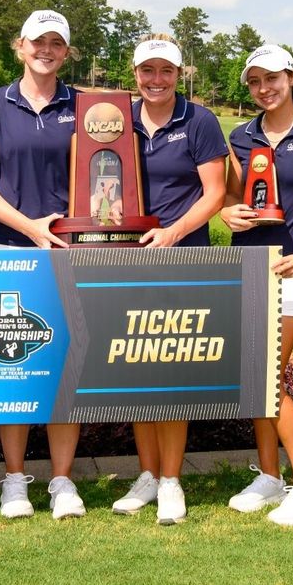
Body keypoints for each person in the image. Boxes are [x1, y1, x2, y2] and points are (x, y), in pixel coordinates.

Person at [0, 10, 85, 520]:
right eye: (39, 41)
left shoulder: (84, 105)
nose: (47, 49)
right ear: (19, 46)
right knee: (11, 366)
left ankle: (62, 481)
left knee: (63, 366)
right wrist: (32, 227)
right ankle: (14, 480)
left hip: (68, 249)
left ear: (66, 51)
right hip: (6, 249)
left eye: (57, 42)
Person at [219, 44, 293, 526]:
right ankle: (270, 476)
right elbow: (228, 196)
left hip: (292, 269)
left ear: (291, 78)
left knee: (269, 376)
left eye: (272, 79)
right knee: (256, 375)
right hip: (247, 265)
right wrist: (227, 212)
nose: (264, 88)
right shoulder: (241, 136)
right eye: (254, 81)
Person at [109, 34, 228, 525]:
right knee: (136, 367)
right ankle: (149, 474)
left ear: (180, 75)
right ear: (134, 73)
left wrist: (172, 232)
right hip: (126, 258)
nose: (156, 80)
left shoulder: (199, 120)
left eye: (166, 71)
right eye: (147, 71)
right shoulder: (115, 120)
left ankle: (173, 480)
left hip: (183, 258)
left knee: (170, 370)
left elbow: (214, 193)